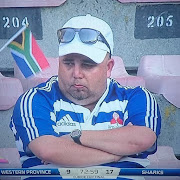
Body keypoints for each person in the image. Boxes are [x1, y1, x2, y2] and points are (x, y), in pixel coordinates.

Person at [10, 14, 161, 179]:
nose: (76, 73)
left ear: (109, 67)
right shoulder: (34, 99)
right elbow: (48, 150)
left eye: (87, 64)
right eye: (68, 63)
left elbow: (141, 139)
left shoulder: (137, 97)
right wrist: (116, 154)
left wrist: (76, 136)